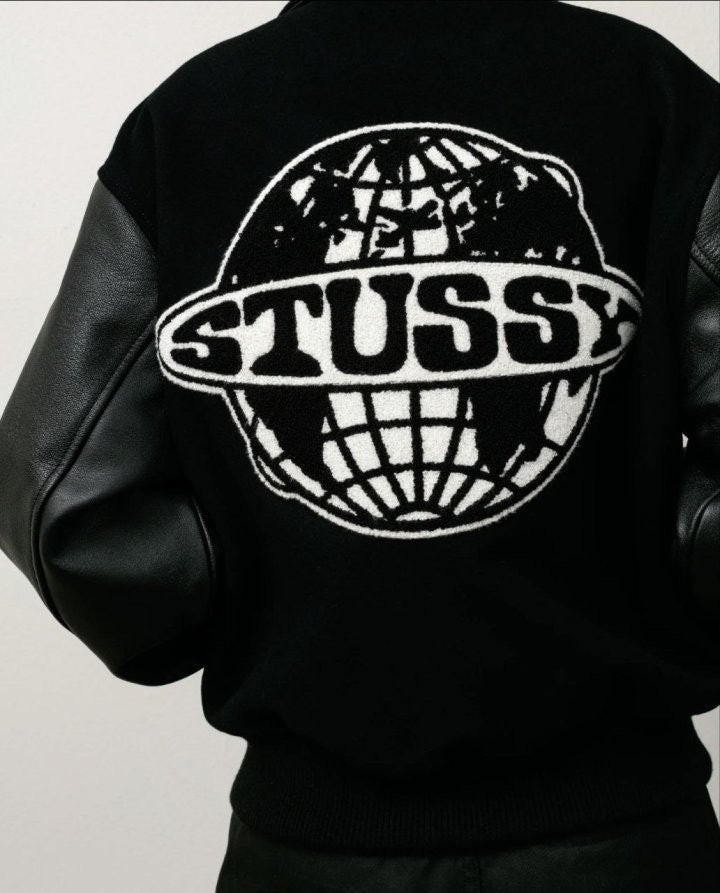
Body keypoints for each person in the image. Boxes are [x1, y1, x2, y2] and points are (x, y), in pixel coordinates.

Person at [1, 1, 719, 889]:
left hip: (303, 856)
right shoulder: (651, 91)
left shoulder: (189, 120)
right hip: (633, 848)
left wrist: (260, 585)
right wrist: (654, 568)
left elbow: (56, 496)